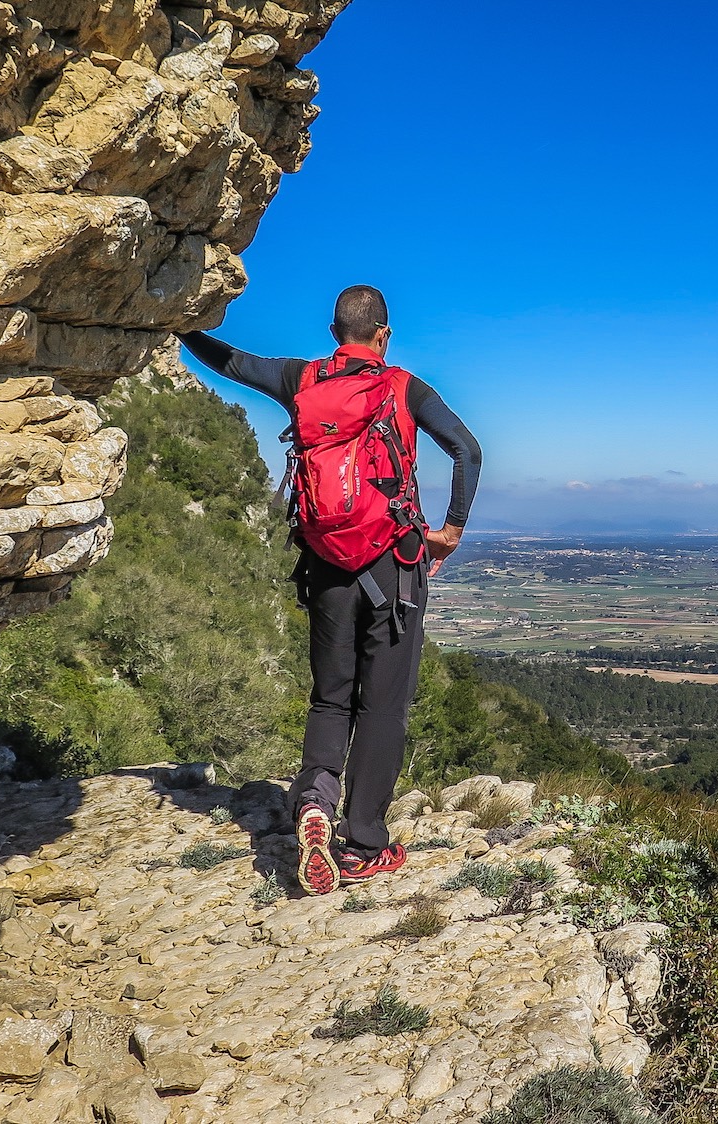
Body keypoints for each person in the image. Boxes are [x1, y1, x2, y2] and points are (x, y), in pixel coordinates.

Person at [180, 285, 481, 895]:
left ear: (334, 330)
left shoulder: (301, 378)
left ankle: (315, 799)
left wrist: (174, 322)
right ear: (383, 334)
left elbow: (230, 360)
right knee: (383, 707)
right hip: (394, 566)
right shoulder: (403, 387)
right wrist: (449, 530)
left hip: (325, 568)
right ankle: (364, 841)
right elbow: (467, 451)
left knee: (330, 697)